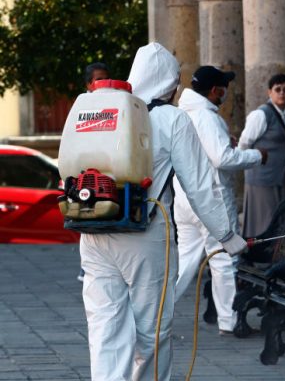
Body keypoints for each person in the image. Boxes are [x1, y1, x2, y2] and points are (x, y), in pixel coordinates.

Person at [79, 43, 248, 380]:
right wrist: (228, 237)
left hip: (93, 232)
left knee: (105, 331)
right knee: (151, 330)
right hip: (145, 236)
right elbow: (201, 187)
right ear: (170, 83)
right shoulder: (171, 118)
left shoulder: (100, 110)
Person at [172, 66, 267, 334]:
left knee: (185, 263)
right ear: (215, 90)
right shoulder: (207, 117)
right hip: (212, 201)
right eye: (224, 86)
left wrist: (226, 141)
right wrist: (256, 156)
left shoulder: (183, 113)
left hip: (185, 200)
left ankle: (155, 314)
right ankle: (230, 320)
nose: (226, 92)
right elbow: (222, 158)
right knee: (224, 260)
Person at [239, 74, 285, 239]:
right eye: (277, 90)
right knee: (263, 219)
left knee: (279, 217)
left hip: (282, 175)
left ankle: (273, 255)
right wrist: (249, 168)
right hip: (261, 176)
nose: (282, 93)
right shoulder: (261, 115)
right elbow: (244, 143)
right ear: (269, 92)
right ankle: (257, 255)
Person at [77, 62, 111, 283]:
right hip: (87, 168)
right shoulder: (83, 105)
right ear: (89, 84)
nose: (103, 84)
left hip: (108, 166)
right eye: (98, 79)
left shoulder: (113, 102)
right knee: (88, 214)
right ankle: (86, 267)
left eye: (105, 79)